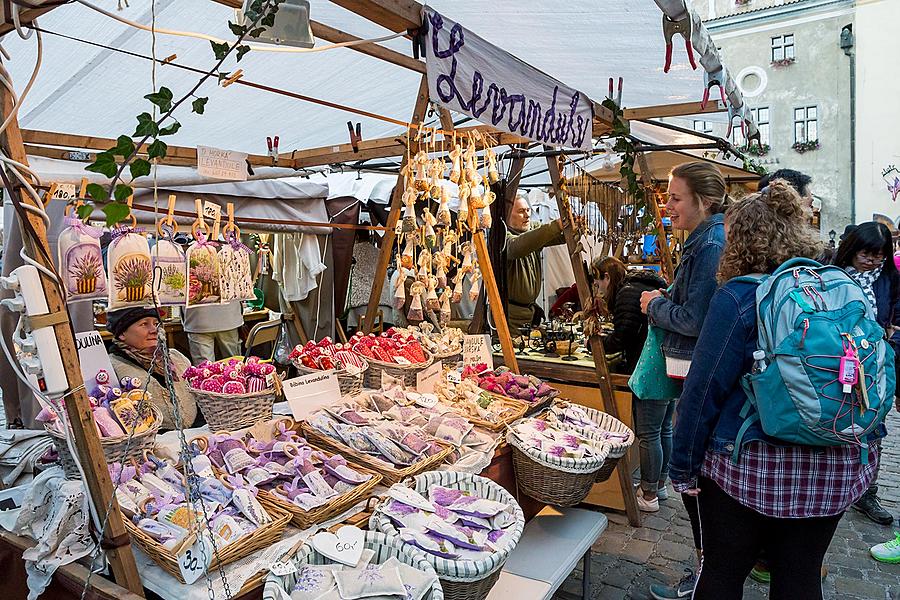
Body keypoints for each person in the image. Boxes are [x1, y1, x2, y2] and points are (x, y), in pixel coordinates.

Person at [666, 180, 880, 599]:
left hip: (751, 468)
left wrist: (683, 466)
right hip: (834, 464)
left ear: (740, 239)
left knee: (723, 574)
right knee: (800, 579)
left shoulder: (741, 296)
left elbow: (703, 389)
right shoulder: (837, 288)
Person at [640, 162, 727, 600]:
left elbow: (694, 318)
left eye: (675, 198)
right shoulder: (703, 242)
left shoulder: (711, 245)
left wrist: (654, 305)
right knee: (699, 480)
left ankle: (705, 578)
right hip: (693, 371)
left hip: (698, 372)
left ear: (704, 201)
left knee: (698, 479)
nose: (667, 205)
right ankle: (707, 573)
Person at [832, 221, 900, 526]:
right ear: (852, 249)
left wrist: (891, 338)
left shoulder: (889, 278)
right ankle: (831, 483)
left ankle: (866, 492)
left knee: (873, 425)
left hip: (874, 364)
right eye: (867, 253)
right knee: (834, 421)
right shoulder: (832, 274)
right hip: (835, 361)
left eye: (879, 255)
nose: (872, 260)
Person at [107, 308, 198, 430]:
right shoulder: (113, 368)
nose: (154, 330)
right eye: (144, 324)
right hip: (149, 444)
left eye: (156, 324)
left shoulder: (176, 358)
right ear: (122, 333)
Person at [503, 193, 567, 332]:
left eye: (527, 210)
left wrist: (571, 227)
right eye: (520, 211)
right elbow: (516, 247)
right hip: (510, 316)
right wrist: (556, 225)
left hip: (530, 313)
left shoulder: (532, 228)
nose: (526, 215)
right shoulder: (502, 237)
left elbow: (558, 236)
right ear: (507, 215)